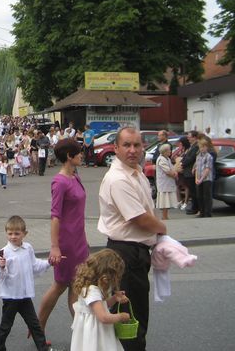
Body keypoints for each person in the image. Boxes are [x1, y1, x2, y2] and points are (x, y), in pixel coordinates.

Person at [98, 127, 167, 351]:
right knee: (129, 317)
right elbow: (139, 218)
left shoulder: (136, 172)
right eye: (126, 145)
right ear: (115, 148)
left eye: (137, 145)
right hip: (125, 252)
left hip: (135, 251)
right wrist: (162, 228)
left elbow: (147, 210)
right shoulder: (118, 178)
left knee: (136, 312)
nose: (132, 150)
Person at [38, 139, 89, 333]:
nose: (81, 155)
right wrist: (55, 246)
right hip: (66, 242)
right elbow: (55, 215)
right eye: (79, 152)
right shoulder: (59, 182)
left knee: (77, 286)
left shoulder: (75, 177)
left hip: (79, 240)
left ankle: (81, 333)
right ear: (69, 156)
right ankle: (38, 328)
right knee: (60, 284)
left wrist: (83, 240)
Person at [0, 215, 52, 351]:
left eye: (17, 233)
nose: (13, 236)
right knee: (6, 326)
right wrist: (2, 267)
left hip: (25, 295)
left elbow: (35, 265)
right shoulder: (4, 252)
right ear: (6, 233)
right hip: (11, 297)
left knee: (34, 324)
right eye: (10, 233)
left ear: (24, 234)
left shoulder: (28, 248)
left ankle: (43, 348)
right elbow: (0, 276)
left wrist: (48, 262)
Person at [70, 249, 130, 351]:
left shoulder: (90, 286)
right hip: (96, 331)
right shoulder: (92, 290)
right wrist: (121, 317)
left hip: (90, 328)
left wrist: (115, 298)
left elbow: (101, 305)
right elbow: (103, 317)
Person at [156, 144, 179, 220]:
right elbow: (168, 171)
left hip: (167, 183)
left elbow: (172, 168)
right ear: (165, 151)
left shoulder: (167, 159)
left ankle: (165, 216)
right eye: (169, 150)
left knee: (167, 200)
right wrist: (174, 174)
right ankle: (164, 216)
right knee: (164, 200)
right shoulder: (161, 159)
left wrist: (174, 172)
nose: (170, 151)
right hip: (164, 183)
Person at [193, 139, 214, 218]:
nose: (202, 149)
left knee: (206, 196)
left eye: (203, 147)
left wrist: (201, 179)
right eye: (201, 147)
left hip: (206, 179)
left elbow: (207, 169)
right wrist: (196, 179)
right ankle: (201, 212)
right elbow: (197, 168)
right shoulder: (198, 156)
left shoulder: (209, 156)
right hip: (198, 178)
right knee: (199, 196)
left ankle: (207, 213)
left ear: (207, 147)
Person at [181, 131, 199, 215]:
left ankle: (195, 208)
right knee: (192, 191)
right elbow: (186, 156)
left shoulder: (196, 146)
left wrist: (183, 163)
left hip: (191, 172)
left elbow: (191, 158)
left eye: (190, 137)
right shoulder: (191, 146)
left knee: (193, 191)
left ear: (194, 137)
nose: (188, 138)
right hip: (187, 172)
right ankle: (194, 207)